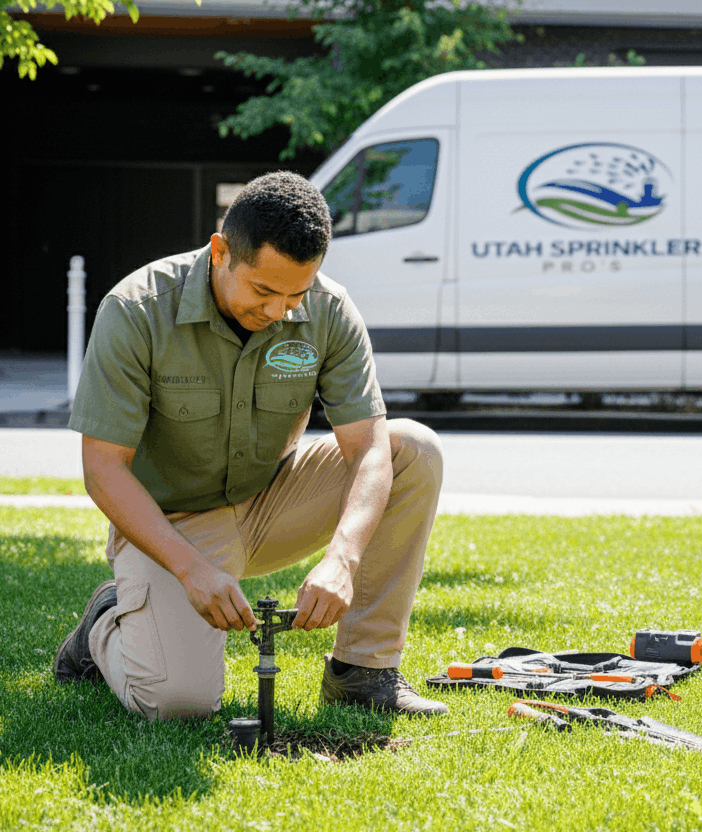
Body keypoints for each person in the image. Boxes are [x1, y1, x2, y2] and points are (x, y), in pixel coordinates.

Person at [54, 171, 448, 721]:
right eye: (263, 291)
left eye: (296, 294)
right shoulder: (137, 309)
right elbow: (103, 469)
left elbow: (370, 449)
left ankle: (363, 673)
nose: (279, 311)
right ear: (220, 252)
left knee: (414, 448)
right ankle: (104, 622)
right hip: (176, 525)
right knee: (178, 704)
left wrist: (343, 558)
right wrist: (190, 570)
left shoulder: (331, 310)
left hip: (274, 500)